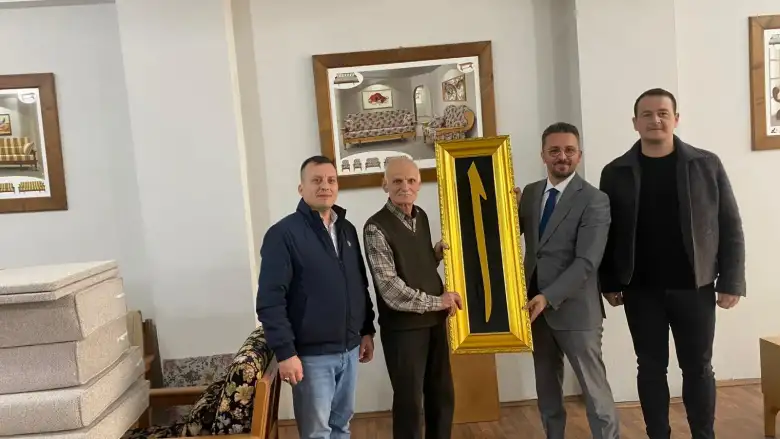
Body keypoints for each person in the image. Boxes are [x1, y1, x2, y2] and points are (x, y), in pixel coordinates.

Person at [598, 88, 746, 439]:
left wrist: (732, 281)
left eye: (663, 113)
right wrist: (609, 281)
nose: (655, 120)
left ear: (676, 119)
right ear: (635, 122)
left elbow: (730, 225)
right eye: (647, 114)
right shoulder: (615, 172)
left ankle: (703, 435)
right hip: (640, 290)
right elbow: (607, 232)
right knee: (650, 368)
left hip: (694, 287)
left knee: (698, 368)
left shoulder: (706, 164)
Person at [255, 155, 377, 439]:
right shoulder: (282, 234)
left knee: (341, 428)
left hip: (350, 350)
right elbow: (270, 301)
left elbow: (358, 284)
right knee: (316, 434)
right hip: (310, 358)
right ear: (301, 188)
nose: (325, 186)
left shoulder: (346, 229)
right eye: (317, 180)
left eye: (331, 180)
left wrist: (366, 330)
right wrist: (286, 353)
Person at [516, 122, 620, 439]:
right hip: (535, 313)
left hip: (576, 312)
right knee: (547, 393)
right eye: (555, 150)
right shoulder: (530, 193)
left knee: (595, 395)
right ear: (543, 155)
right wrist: (505, 207)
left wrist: (548, 296)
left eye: (569, 150)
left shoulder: (595, 199)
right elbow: (508, 236)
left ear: (579, 155)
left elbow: (587, 261)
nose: (562, 156)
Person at [362, 156, 462, 439]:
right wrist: (439, 301)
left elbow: (414, 265)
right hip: (403, 330)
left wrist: (435, 255)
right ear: (385, 185)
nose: (404, 186)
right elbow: (391, 290)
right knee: (409, 403)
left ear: (419, 184)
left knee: (441, 395)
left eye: (410, 180)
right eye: (397, 181)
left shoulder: (422, 217)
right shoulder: (375, 228)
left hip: (434, 323)